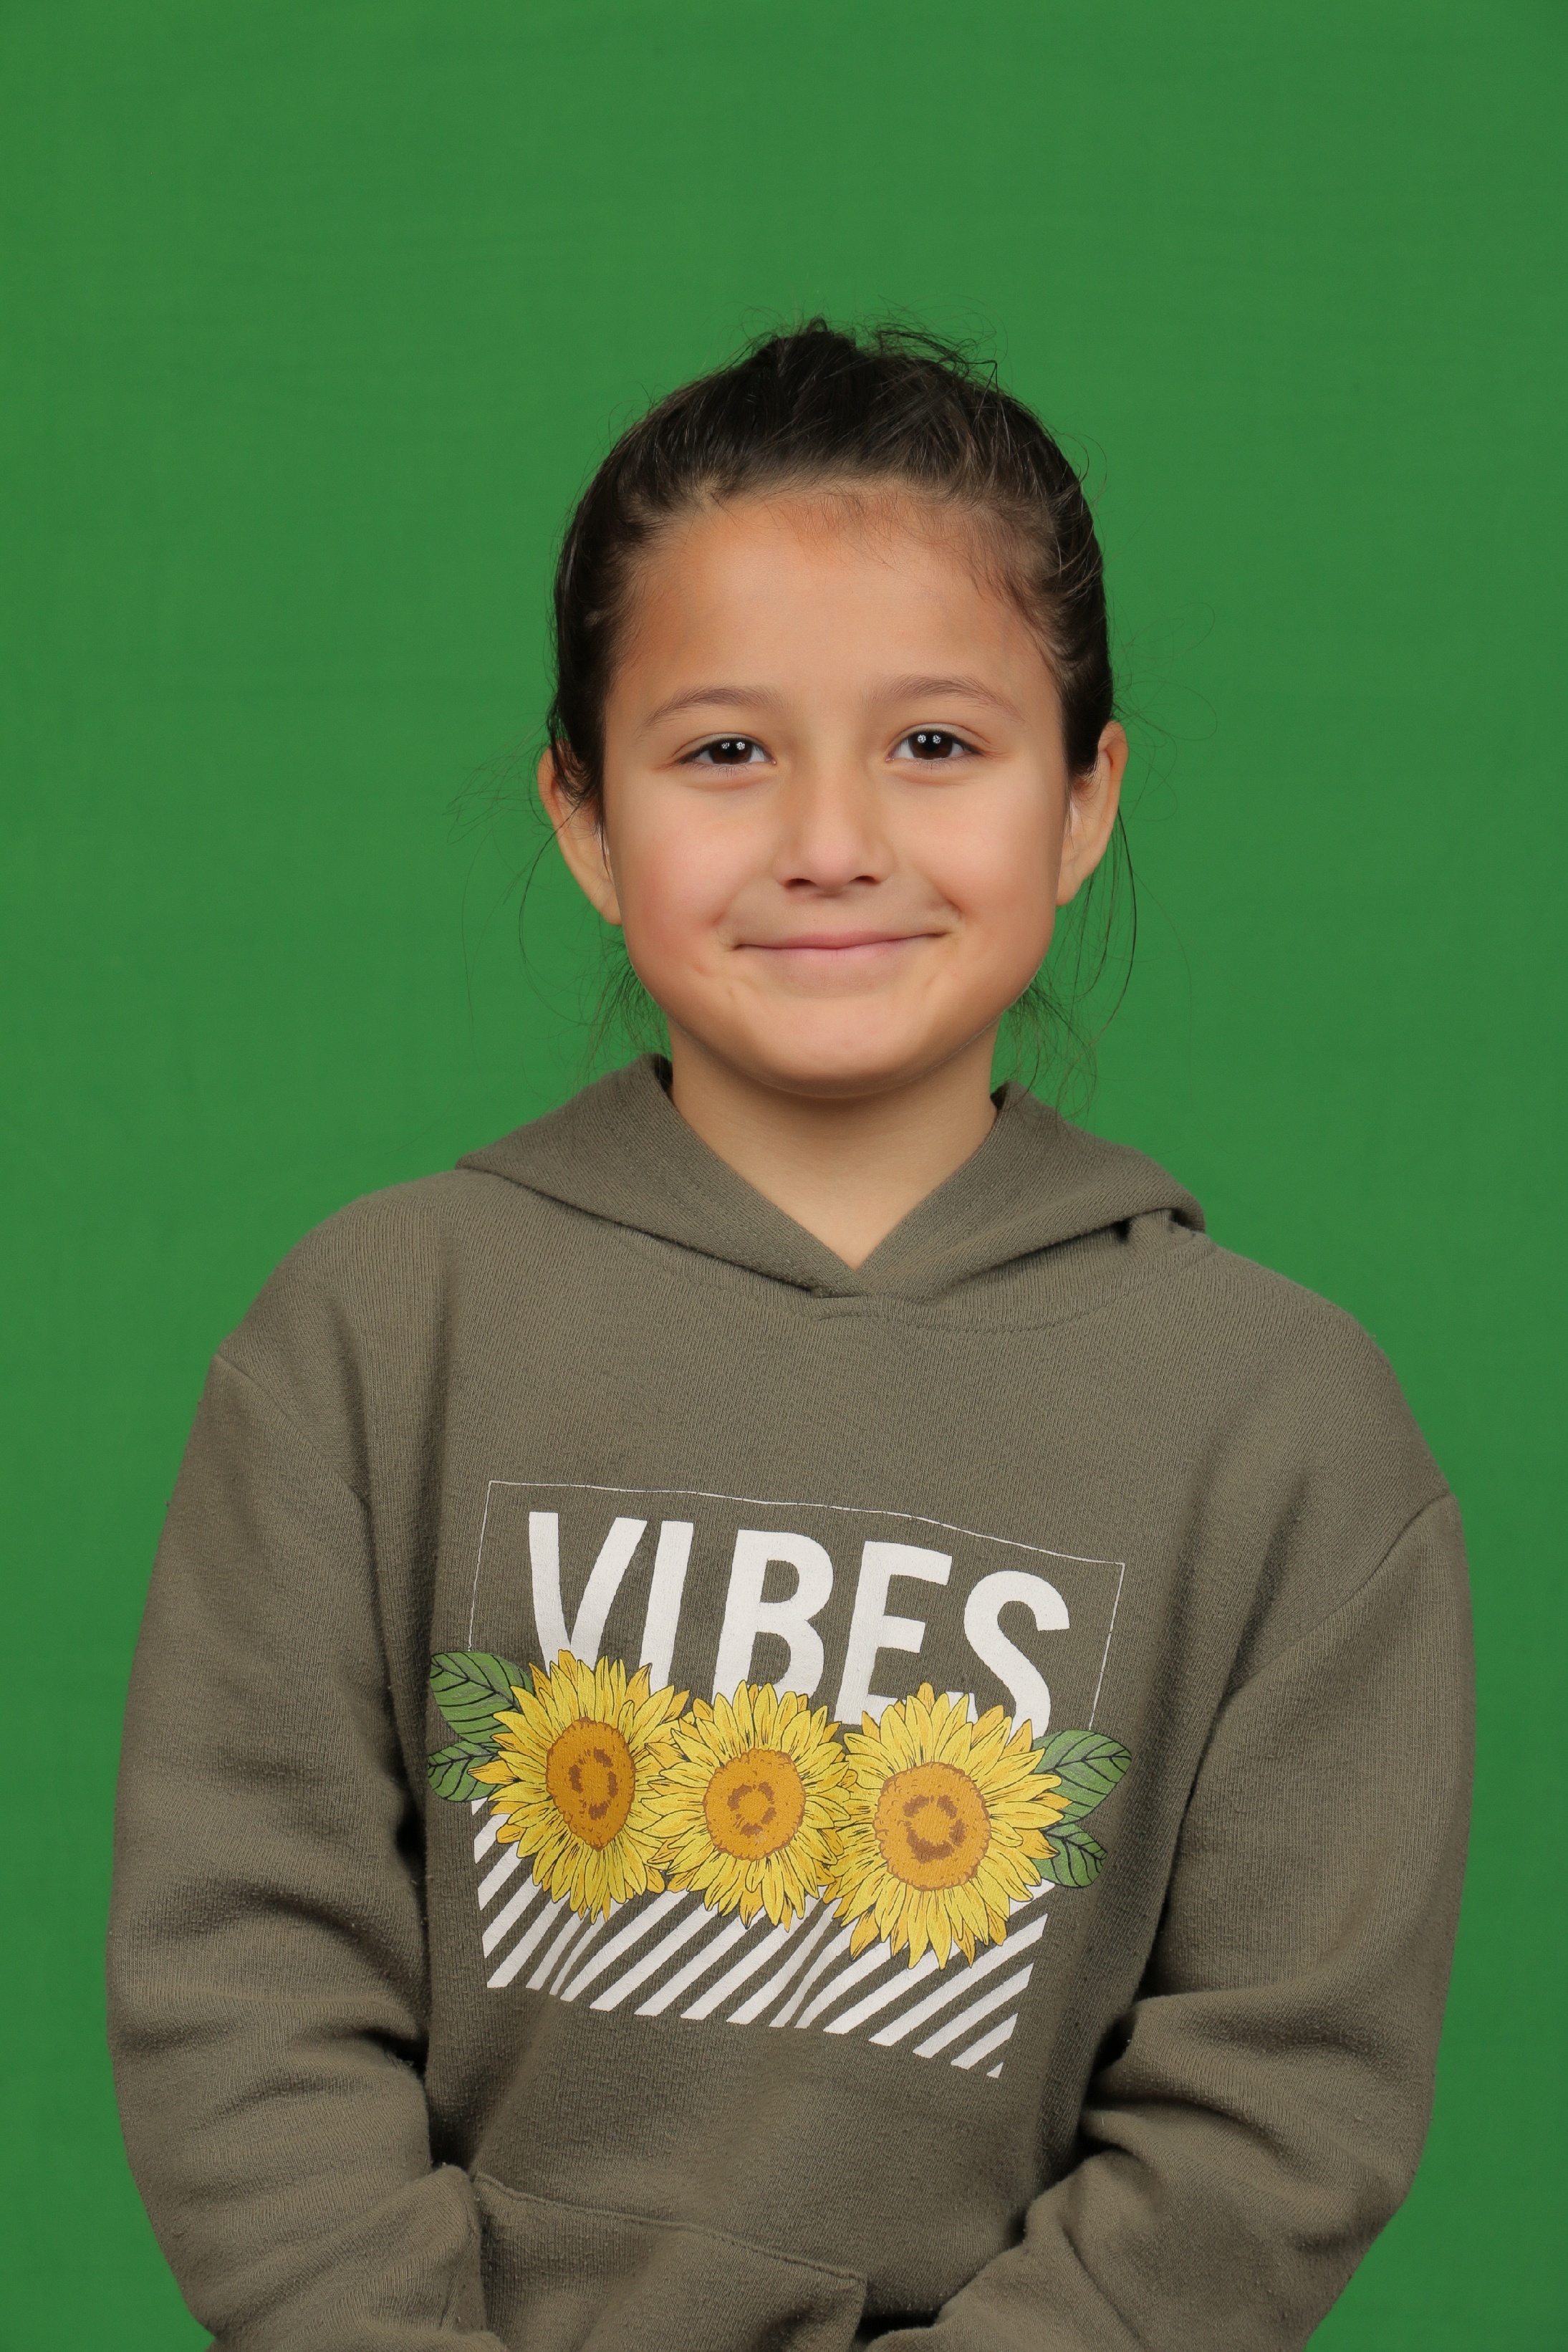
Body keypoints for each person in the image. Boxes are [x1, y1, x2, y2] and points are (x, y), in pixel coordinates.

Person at [108, 322, 1473, 2352]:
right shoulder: (377, 1331)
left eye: (937, 744)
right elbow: (245, 1978)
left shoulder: (1284, 1431)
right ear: (585, 813)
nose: (833, 839)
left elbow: (1274, 2110)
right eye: (726, 752)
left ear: (1085, 798)